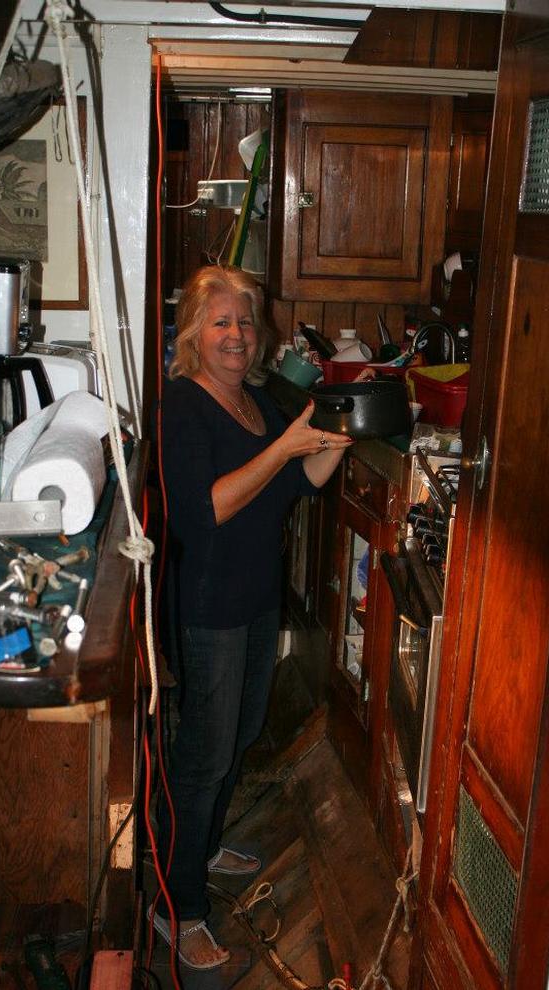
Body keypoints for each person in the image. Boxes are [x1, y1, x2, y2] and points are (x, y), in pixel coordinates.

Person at [152, 264, 353, 970]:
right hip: (209, 604)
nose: (236, 335)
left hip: (257, 595)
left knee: (239, 735)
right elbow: (205, 508)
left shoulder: (261, 400)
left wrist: (329, 444)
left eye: (244, 321)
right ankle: (176, 909)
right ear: (194, 336)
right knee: (204, 757)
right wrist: (285, 448)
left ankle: (200, 848)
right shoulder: (183, 406)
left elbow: (298, 481)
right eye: (221, 323)